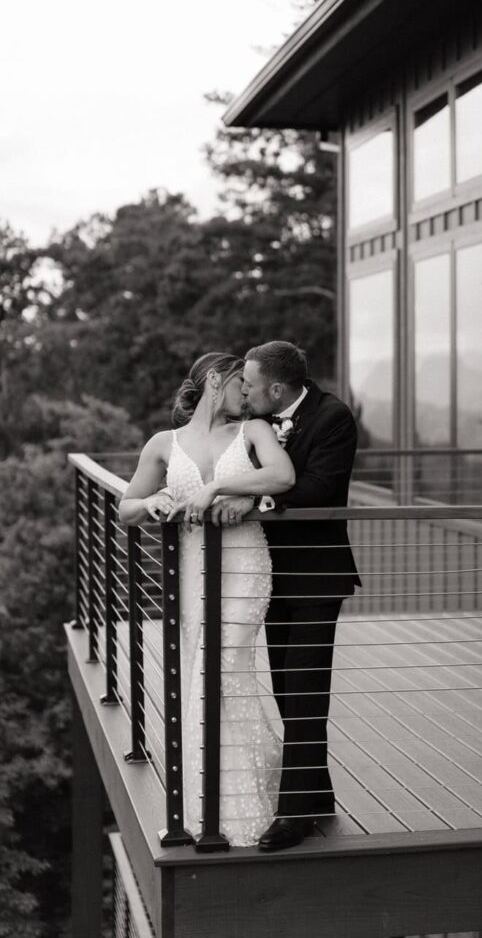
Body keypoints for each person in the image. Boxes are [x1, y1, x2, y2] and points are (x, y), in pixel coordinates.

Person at [175, 341, 360, 851]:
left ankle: (295, 815)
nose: (246, 391)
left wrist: (249, 497)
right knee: (287, 689)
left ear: (277, 389)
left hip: (317, 578)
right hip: (271, 576)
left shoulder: (333, 417)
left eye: (251, 385)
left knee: (305, 694)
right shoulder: (256, 424)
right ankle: (317, 792)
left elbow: (321, 487)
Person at [118, 352, 295, 847]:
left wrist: (220, 486)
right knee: (201, 672)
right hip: (190, 572)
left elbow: (282, 477)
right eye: (242, 383)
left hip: (244, 566)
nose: (249, 393)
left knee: (223, 669)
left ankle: (237, 811)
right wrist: (151, 502)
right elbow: (125, 507)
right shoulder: (162, 444)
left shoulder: (254, 431)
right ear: (217, 380)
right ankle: (201, 806)